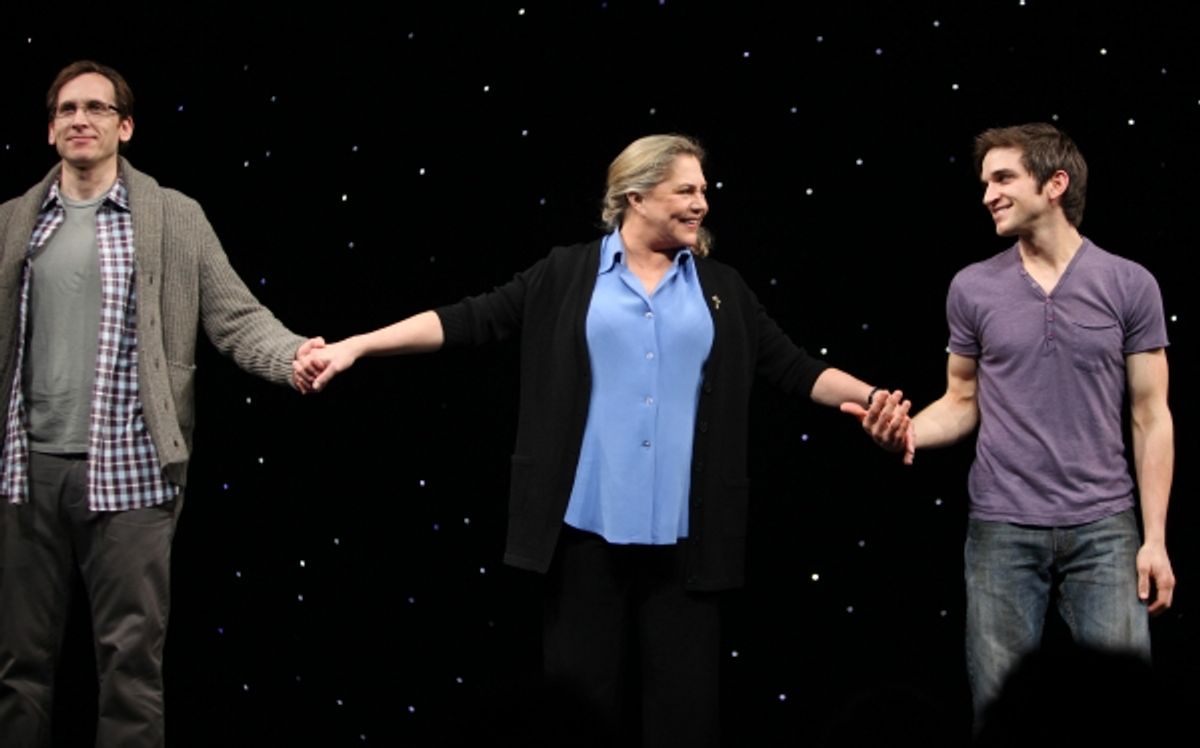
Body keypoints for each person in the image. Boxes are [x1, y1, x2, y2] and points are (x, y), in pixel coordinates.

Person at [294, 133, 911, 747]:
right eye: (686, 190)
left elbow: (794, 366)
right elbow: (468, 319)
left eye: (704, 191)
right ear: (635, 197)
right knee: (577, 718)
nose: (701, 203)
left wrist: (875, 400)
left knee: (685, 722)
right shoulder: (566, 273)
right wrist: (358, 346)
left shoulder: (721, 288)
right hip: (584, 535)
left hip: (686, 542)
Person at [0, 60, 322, 747]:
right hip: (26, 473)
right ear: (50, 129)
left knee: (131, 670)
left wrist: (294, 354)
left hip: (133, 472)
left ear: (125, 126)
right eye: (66, 110)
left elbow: (236, 317)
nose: (79, 119)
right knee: (19, 669)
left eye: (96, 108)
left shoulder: (175, 217)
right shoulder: (12, 223)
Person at [860, 122, 1175, 724]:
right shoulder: (973, 287)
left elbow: (1151, 415)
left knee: (1124, 711)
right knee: (999, 713)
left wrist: (1154, 540)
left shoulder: (1129, 284)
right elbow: (961, 399)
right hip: (1001, 527)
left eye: (1003, 179)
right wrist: (907, 432)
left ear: (1055, 184)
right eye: (985, 182)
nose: (988, 195)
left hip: (1104, 527)